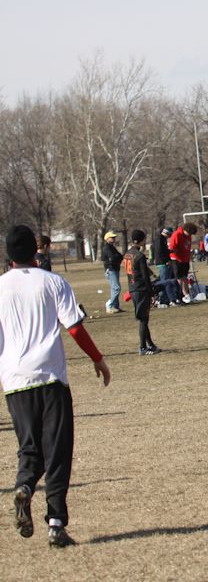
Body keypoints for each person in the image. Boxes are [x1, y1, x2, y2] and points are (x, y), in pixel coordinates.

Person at [1, 225, 112, 548]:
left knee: (30, 447)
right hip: (50, 376)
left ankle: (24, 485)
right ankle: (56, 523)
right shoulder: (52, 282)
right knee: (58, 450)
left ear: (9, 254)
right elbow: (74, 328)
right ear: (34, 250)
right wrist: (98, 359)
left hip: (15, 380)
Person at [123, 230, 160, 355]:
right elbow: (145, 276)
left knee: (143, 318)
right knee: (143, 319)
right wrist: (151, 293)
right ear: (141, 240)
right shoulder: (139, 256)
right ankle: (142, 347)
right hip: (141, 289)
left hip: (133, 288)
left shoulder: (127, 254)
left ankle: (151, 345)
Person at [168, 222, 198, 303]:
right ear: (186, 230)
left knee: (185, 278)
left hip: (185, 260)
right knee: (179, 278)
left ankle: (187, 295)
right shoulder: (177, 234)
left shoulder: (189, 236)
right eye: (189, 233)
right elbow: (172, 248)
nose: (190, 235)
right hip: (177, 260)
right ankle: (180, 295)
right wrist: (178, 253)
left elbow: (187, 247)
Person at [151, 227, 181, 306]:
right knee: (165, 282)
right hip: (163, 263)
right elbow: (160, 252)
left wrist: (170, 251)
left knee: (166, 281)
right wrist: (166, 260)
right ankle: (163, 299)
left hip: (162, 262)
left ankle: (166, 298)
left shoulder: (160, 239)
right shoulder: (160, 239)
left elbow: (163, 250)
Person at [99, 231, 123, 313]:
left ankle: (115, 306)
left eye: (114, 237)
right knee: (116, 288)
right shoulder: (107, 248)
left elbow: (120, 256)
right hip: (111, 270)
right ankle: (110, 305)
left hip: (115, 269)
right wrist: (117, 257)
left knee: (114, 288)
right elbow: (113, 257)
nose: (113, 239)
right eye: (112, 237)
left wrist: (118, 257)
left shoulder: (112, 247)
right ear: (107, 238)